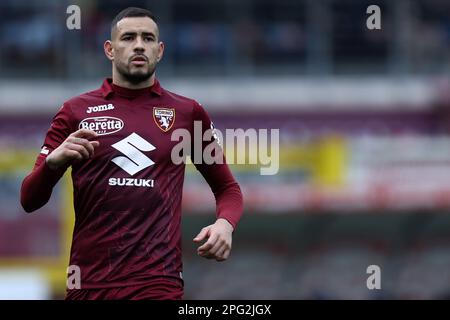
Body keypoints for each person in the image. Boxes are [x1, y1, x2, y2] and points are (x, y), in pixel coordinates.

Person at [20, 7, 243, 300]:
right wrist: (53, 164)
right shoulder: (75, 111)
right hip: (89, 284)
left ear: (160, 50)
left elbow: (227, 188)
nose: (139, 44)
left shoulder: (187, 113)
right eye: (128, 37)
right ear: (110, 49)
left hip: (158, 282)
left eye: (148, 38)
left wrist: (225, 225)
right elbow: (29, 200)